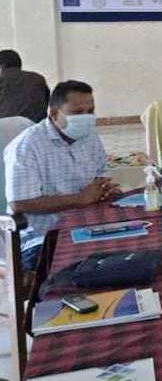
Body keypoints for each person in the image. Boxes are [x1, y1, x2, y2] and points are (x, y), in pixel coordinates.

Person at [5, 80, 120, 270]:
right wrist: (80, 199)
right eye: (77, 113)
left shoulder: (90, 137)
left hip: (87, 227)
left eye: (90, 111)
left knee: (130, 249)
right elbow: (19, 203)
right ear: (54, 113)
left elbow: (100, 175)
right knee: (92, 265)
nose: (86, 118)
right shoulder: (27, 146)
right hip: (41, 237)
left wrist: (103, 189)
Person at [0, 49, 50, 123]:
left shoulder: (2, 79)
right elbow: (46, 101)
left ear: (1, 65)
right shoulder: (38, 78)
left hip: (6, 127)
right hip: (36, 125)